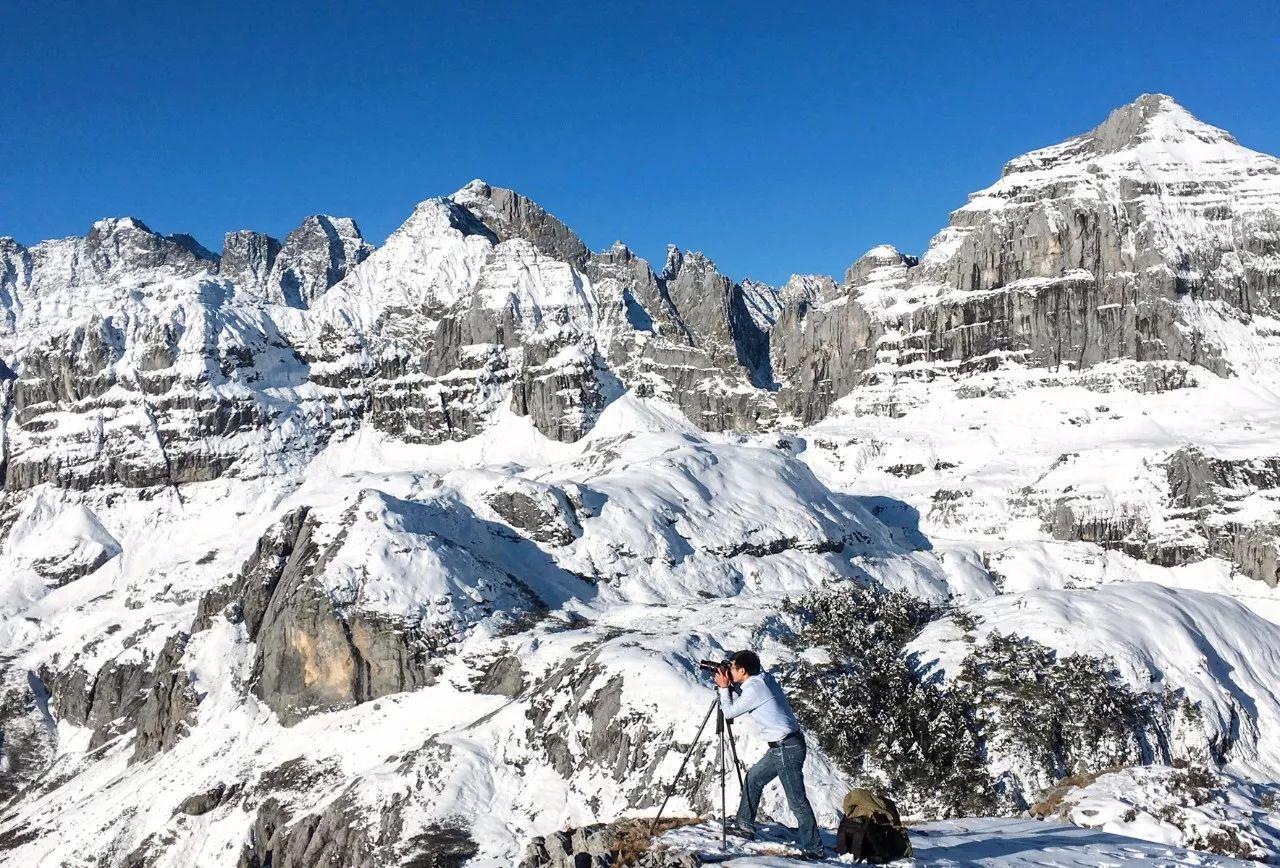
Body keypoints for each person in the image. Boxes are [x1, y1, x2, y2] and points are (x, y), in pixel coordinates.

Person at [714, 650, 824, 859]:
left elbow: (729, 712)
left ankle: (814, 849)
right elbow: (744, 695)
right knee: (754, 778)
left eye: (732, 667)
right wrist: (730, 685)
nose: (729, 670)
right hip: (784, 745)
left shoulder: (755, 688)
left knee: (796, 801)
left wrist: (723, 688)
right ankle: (745, 825)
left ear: (743, 671)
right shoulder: (762, 679)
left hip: (786, 748)